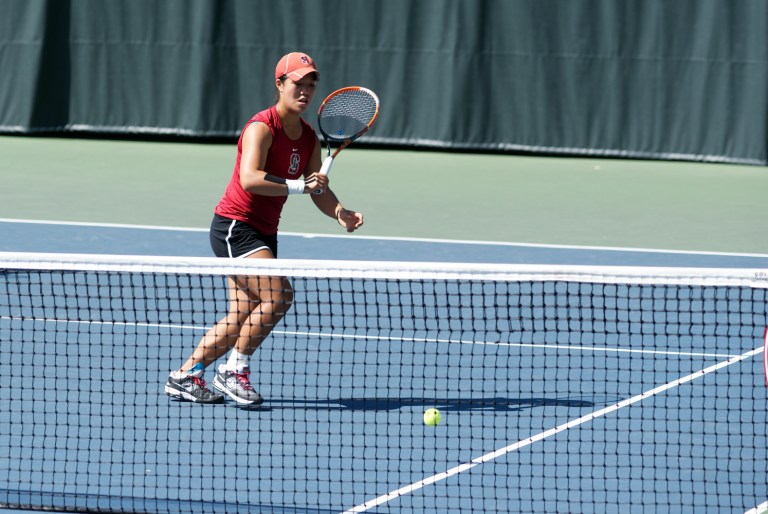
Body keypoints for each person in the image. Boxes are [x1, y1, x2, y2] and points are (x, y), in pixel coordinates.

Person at [164, 52, 364, 405]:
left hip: (264, 231)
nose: (304, 91)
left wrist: (339, 211)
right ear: (280, 85)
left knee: (243, 313)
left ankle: (185, 376)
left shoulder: (306, 138)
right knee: (278, 296)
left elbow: (317, 186)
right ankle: (232, 371)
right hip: (235, 228)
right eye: (297, 84)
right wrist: (301, 186)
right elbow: (251, 178)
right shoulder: (261, 127)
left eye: (310, 85)